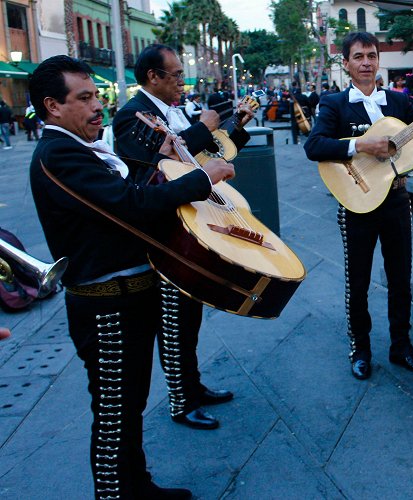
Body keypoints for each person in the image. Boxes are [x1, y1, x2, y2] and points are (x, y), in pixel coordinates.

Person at [29, 54, 235, 499]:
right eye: (83, 99)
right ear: (52, 106)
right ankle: (115, 493)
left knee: (131, 405)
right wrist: (201, 178)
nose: (96, 106)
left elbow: (128, 192)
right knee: (114, 411)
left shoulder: (82, 147)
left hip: (129, 293)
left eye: (95, 95)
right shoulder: (58, 152)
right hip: (107, 303)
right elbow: (130, 206)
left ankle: (135, 486)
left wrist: (159, 161)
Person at [304, 32, 413, 380]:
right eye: (359, 56)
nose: (366, 62)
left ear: (379, 60)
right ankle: (360, 348)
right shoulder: (334, 104)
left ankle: (401, 346)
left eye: (372, 55)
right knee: (358, 281)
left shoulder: (398, 101)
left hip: (396, 199)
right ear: (346, 63)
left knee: (400, 278)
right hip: (356, 203)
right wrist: (361, 145)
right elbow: (315, 146)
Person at [112, 44, 254, 431]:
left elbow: (204, 158)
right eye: (175, 74)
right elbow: (168, 159)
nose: (181, 81)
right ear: (152, 77)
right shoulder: (130, 117)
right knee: (173, 317)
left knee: (189, 314)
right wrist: (203, 126)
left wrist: (236, 128)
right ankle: (180, 400)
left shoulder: (171, 112)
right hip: (162, 230)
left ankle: (193, 385)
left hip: (190, 222)